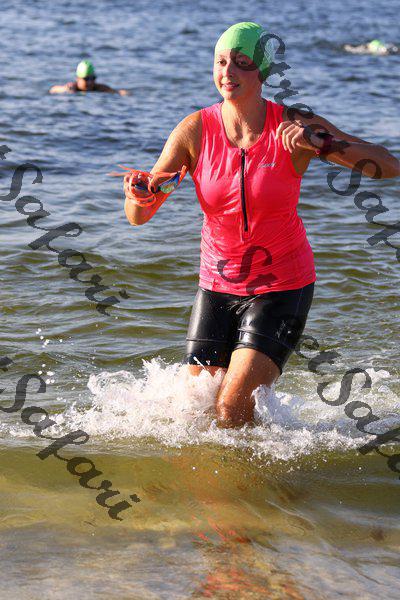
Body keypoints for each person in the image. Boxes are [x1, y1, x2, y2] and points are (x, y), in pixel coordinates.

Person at [123, 22, 400, 428]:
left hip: (281, 287)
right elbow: (139, 217)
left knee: (231, 407)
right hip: (216, 285)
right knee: (194, 410)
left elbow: (389, 166)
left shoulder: (292, 124)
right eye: (221, 61)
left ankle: (266, 469)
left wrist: (322, 144)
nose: (228, 72)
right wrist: (139, 194)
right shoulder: (195, 130)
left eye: (242, 62)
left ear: (263, 72)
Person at [49, 59, 129, 95]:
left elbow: (118, 92)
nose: (90, 82)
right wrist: (65, 89)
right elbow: (53, 89)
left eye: (92, 78)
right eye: (86, 79)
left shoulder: (99, 88)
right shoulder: (73, 87)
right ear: (78, 79)